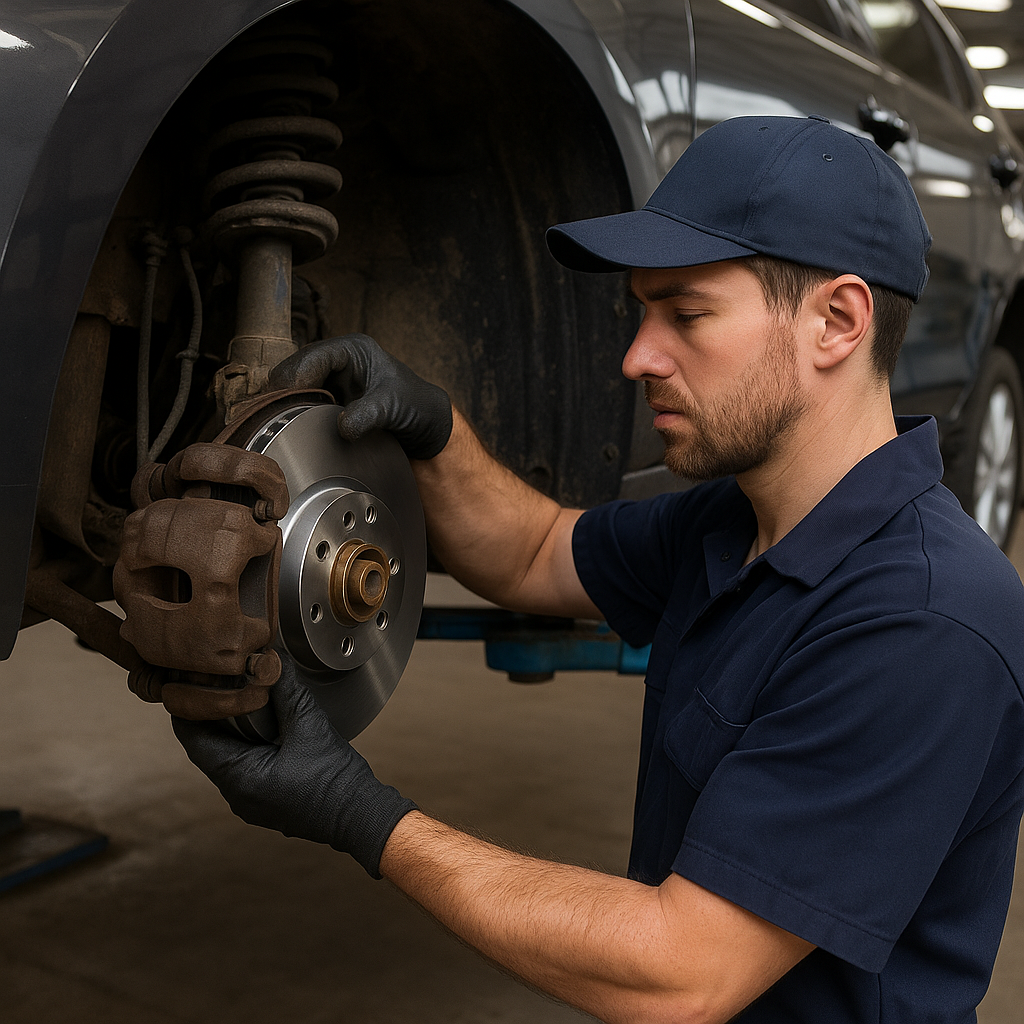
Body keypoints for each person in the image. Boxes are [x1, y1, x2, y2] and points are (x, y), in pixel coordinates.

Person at [173, 116, 1024, 1023]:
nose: (636, 358)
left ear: (837, 322)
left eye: (686, 315)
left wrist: (358, 812)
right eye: (642, 314)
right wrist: (435, 430)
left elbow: (679, 973)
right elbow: (536, 551)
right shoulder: (736, 520)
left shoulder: (924, 624)